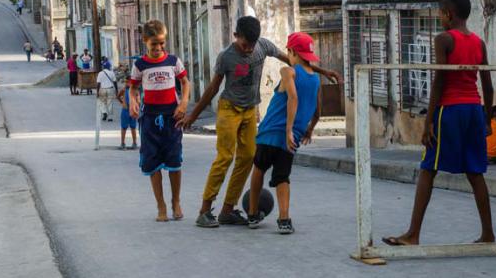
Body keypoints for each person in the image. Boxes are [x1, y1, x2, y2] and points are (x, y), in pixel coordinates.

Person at [176, 16, 340, 228]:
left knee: (247, 158)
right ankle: (205, 210)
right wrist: (193, 115)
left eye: (252, 45)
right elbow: (213, 88)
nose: (248, 49)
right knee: (225, 157)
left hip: (250, 110)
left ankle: (228, 210)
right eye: (245, 45)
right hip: (229, 108)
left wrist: (323, 71)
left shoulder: (263, 46)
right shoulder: (226, 57)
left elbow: (296, 62)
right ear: (236, 37)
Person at [381, 0, 495, 246]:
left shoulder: (443, 39)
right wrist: (487, 119)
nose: (439, 18)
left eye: (440, 13)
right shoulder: (478, 42)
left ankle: (413, 234)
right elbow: (487, 86)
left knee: (427, 168)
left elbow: (439, 81)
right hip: (474, 110)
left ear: (448, 14)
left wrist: (428, 121)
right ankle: (488, 233)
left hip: (451, 110)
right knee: (475, 173)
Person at [247, 32, 322, 234]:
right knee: (282, 177)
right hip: (293, 138)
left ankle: (252, 214)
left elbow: (293, 98)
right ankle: (284, 219)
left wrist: (288, 129)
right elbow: (317, 112)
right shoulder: (315, 79)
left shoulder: (288, 71)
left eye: (288, 51)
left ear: (292, 52)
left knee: (259, 169)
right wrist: (308, 130)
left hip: (272, 132)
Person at [129, 20, 190, 222]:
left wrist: (183, 104)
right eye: (154, 43)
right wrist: (133, 101)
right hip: (150, 119)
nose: (158, 48)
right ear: (145, 41)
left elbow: (184, 82)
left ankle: (176, 201)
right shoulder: (140, 65)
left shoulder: (173, 61)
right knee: (152, 161)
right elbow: (133, 87)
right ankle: (161, 205)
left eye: (162, 43)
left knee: (174, 160)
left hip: (172, 117)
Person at [117, 78, 138, 150]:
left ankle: (134, 143)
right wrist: (122, 103)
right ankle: (122, 143)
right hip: (125, 110)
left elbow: (138, 100)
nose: (126, 83)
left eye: (128, 82)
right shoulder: (123, 90)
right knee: (124, 127)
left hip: (132, 110)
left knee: (133, 127)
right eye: (126, 82)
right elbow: (118, 96)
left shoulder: (135, 90)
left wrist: (136, 106)